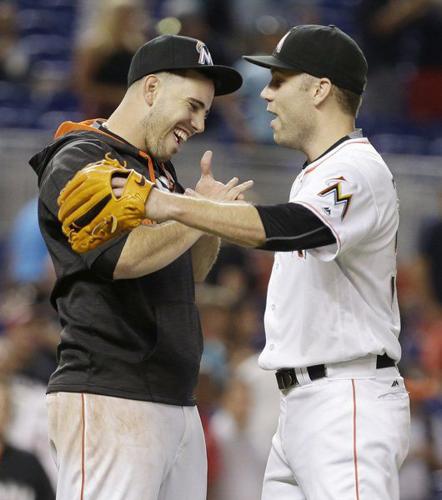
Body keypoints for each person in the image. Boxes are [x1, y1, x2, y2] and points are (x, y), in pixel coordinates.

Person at [107, 25, 410, 499]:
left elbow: (296, 227)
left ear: (319, 89)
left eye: (279, 80)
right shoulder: (320, 172)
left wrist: (172, 206)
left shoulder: (356, 167)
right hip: (302, 404)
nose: (265, 94)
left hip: (345, 399)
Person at [29, 34, 250, 500]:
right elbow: (124, 258)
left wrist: (206, 219)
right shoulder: (81, 156)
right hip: (111, 392)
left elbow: (189, 274)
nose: (199, 123)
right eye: (192, 105)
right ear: (150, 89)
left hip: (176, 401)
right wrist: (197, 212)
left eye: (206, 112)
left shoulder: (161, 172)